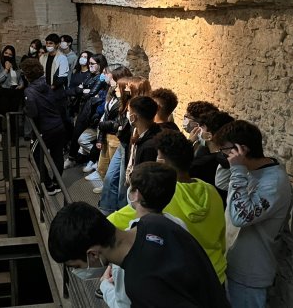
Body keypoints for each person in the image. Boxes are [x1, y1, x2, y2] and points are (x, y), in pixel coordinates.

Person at [48, 196, 229, 308]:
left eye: (76, 266)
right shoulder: (155, 222)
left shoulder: (139, 285)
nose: (78, 271)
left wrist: (105, 285)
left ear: (93, 255)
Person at [108, 129, 228, 284]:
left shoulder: (159, 196)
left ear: (161, 162)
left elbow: (109, 224)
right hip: (215, 274)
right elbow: (221, 237)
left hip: (182, 282)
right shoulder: (211, 191)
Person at [213, 120, 292, 307]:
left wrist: (238, 169)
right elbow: (222, 184)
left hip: (250, 273)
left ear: (243, 149)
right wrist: (230, 165)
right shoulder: (249, 170)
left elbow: (241, 217)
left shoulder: (274, 183)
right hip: (233, 263)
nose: (223, 155)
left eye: (225, 150)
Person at [98, 162, 188, 308]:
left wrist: (105, 286)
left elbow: (123, 304)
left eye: (131, 187)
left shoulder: (128, 244)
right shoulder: (178, 224)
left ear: (136, 195)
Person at [99, 76, 151, 214]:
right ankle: (107, 209)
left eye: (127, 86)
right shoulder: (127, 104)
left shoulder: (139, 109)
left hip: (129, 146)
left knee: (124, 183)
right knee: (110, 178)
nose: (121, 89)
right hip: (123, 144)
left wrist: (120, 129)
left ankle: (122, 214)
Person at [20, 58, 64, 195]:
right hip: (58, 125)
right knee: (57, 155)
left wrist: (25, 110)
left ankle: (49, 185)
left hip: (44, 129)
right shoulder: (46, 85)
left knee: (37, 154)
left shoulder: (30, 91)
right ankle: (57, 183)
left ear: (27, 75)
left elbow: (32, 111)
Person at [64, 54, 108, 169]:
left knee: (81, 136)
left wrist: (83, 90)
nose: (90, 65)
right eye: (89, 63)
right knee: (76, 135)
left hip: (91, 111)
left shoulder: (100, 78)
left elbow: (90, 93)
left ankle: (91, 159)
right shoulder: (90, 75)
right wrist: (83, 90)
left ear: (100, 65)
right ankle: (75, 158)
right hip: (83, 108)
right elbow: (80, 90)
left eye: (92, 64)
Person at [93, 65, 132, 194]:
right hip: (106, 135)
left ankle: (110, 194)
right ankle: (107, 189)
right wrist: (100, 137)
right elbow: (106, 115)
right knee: (102, 167)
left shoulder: (125, 99)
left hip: (115, 137)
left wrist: (104, 125)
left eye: (114, 79)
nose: (111, 81)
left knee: (113, 171)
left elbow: (120, 122)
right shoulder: (112, 93)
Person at [188, 110, 235, 205]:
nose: (198, 131)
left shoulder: (202, 164)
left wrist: (188, 144)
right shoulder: (233, 157)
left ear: (209, 136)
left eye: (201, 128)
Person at [0, 45, 24, 140]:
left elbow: (19, 77)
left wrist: (21, 84)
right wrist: (6, 69)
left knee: (13, 117)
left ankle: (13, 139)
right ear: (3, 53)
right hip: (4, 92)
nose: (8, 55)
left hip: (15, 92)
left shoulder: (15, 64)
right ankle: (5, 138)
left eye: (10, 54)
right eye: (6, 53)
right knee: (5, 117)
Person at [66, 50, 93, 117]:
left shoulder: (89, 74)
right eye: (81, 56)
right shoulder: (76, 72)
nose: (82, 58)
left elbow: (83, 90)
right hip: (72, 102)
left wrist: (76, 90)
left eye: (85, 57)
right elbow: (70, 86)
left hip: (81, 104)